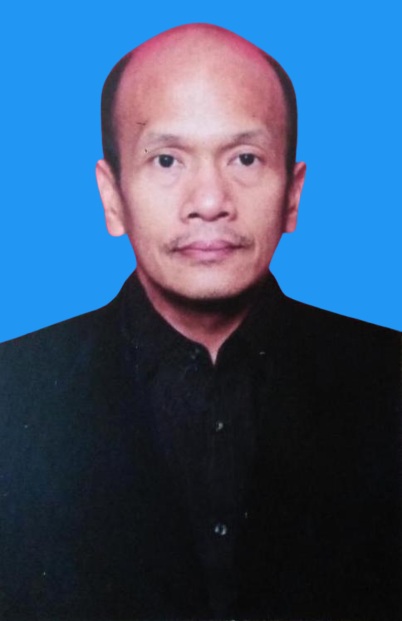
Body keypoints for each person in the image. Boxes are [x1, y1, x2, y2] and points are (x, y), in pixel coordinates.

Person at [0, 23, 400, 621]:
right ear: (112, 197)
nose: (210, 201)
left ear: (292, 195)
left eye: (245, 158)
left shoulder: (390, 380)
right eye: (166, 160)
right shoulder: (13, 392)